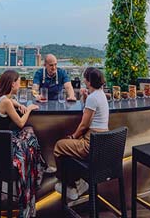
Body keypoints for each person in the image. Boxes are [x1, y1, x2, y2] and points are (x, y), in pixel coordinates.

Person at [0, 69, 46, 218]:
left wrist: (18, 104)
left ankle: (38, 169)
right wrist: (30, 108)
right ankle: (37, 171)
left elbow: (9, 102)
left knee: (30, 134)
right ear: (12, 84)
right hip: (2, 150)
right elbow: (20, 123)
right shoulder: (6, 102)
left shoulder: (0, 98)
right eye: (19, 82)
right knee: (29, 135)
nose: (20, 85)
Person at [53, 67, 109, 200]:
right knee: (67, 148)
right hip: (102, 143)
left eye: (85, 78)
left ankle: (70, 185)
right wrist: (85, 98)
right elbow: (93, 114)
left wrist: (73, 136)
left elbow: (84, 125)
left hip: (90, 143)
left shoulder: (93, 98)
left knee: (59, 146)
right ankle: (79, 182)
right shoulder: (100, 95)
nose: (84, 80)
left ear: (89, 81)